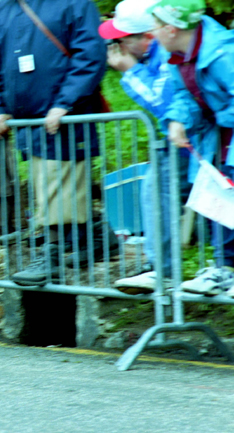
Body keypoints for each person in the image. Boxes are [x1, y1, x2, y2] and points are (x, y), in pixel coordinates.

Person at [0, 0, 107, 286]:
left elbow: (90, 54)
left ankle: (49, 256)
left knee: (56, 183)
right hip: (29, 121)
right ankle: (99, 236)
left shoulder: (75, 3)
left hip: (64, 116)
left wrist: (64, 103)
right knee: (48, 184)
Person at [97, 0, 190, 293]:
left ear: (146, 36)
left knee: (160, 194)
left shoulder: (164, 53)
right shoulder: (154, 53)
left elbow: (164, 105)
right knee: (155, 193)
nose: (116, 46)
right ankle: (163, 269)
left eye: (121, 40)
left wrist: (129, 71)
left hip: (191, 137)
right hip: (183, 137)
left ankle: (164, 271)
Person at [147, 0, 234, 297]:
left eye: (156, 27)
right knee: (219, 197)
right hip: (219, 135)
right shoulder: (177, 54)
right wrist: (177, 121)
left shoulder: (223, 52)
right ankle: (224, 270)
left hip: (227, 130)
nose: (152, 33)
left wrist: (219, 118)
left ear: (171, 29)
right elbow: (185, 96)